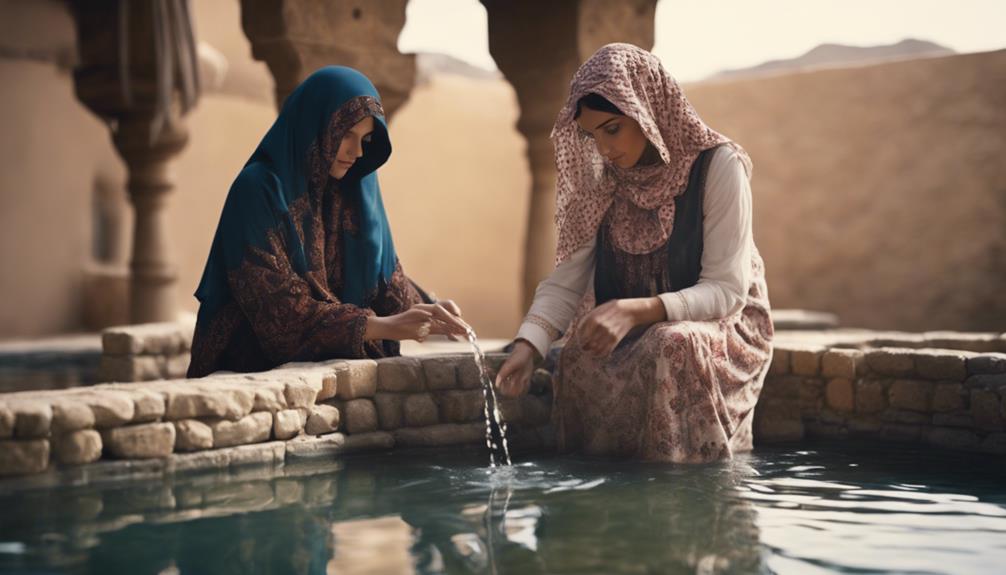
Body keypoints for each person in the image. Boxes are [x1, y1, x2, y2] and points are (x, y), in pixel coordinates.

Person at [495, 44, 774, 463]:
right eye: (592, 136)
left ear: (647, 110)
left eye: (612, 129)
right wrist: (527, 348)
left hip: (722, 330)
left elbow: (726, 291)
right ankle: (601, 502)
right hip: (639, 327)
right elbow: (566, 282)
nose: (604, 149)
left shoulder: (717, 166)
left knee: (673, 344)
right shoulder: (604, 181)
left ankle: (679, 488)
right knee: (576, 356)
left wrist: (638, 310)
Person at [188, 66, 467, 378]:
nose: (357, 151)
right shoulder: (259, 190)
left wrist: (433, 310)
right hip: (244, 379)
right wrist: (382, 326)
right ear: (315, 125)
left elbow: (383, 282)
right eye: (346, 134)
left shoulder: (349, 192)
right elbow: (280, 313)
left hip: (322, 386)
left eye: (366, 138)